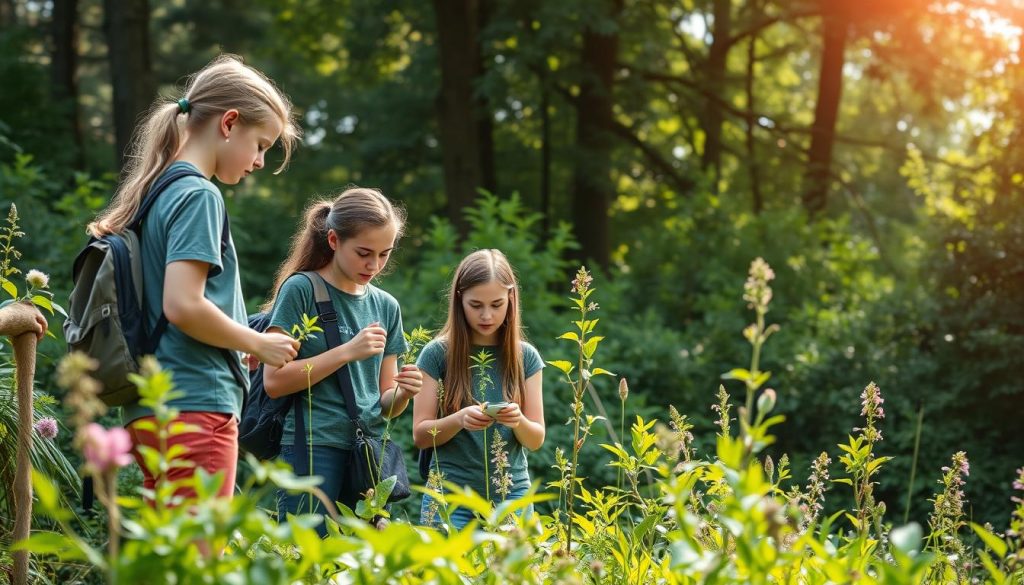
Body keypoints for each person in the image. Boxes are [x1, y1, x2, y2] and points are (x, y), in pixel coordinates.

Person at [88, 54, 302, 500]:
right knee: (200, 565)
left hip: (152, 406)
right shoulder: (198, 194)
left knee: (170, 560)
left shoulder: (156, 190)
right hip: (196, 405)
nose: (260, 161)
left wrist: (230, 341)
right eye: (261, 144)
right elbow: (183, 305)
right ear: (228, 123)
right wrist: (256, 342)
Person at [262, 188, 422, 532]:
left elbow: (386, 404)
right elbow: (274, 382)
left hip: (367, 455)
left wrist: (405, 392)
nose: (374, 265)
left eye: (384, 254)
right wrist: (347, 351)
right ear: (333, 240)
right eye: (364, 253)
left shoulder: (386, 306)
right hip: (310, 446)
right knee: (305, 560)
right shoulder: (302, 289)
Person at [412, 249, 545, 529]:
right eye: (476, 305)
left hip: (512, 495)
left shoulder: (526, 357)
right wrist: (460, 419)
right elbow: (421, 435)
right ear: (459, 300)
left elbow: (535, 440)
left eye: (497, 304)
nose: (487, 315)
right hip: (450, 497)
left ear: (511, 299)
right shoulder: (437, 354)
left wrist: (518, 420)